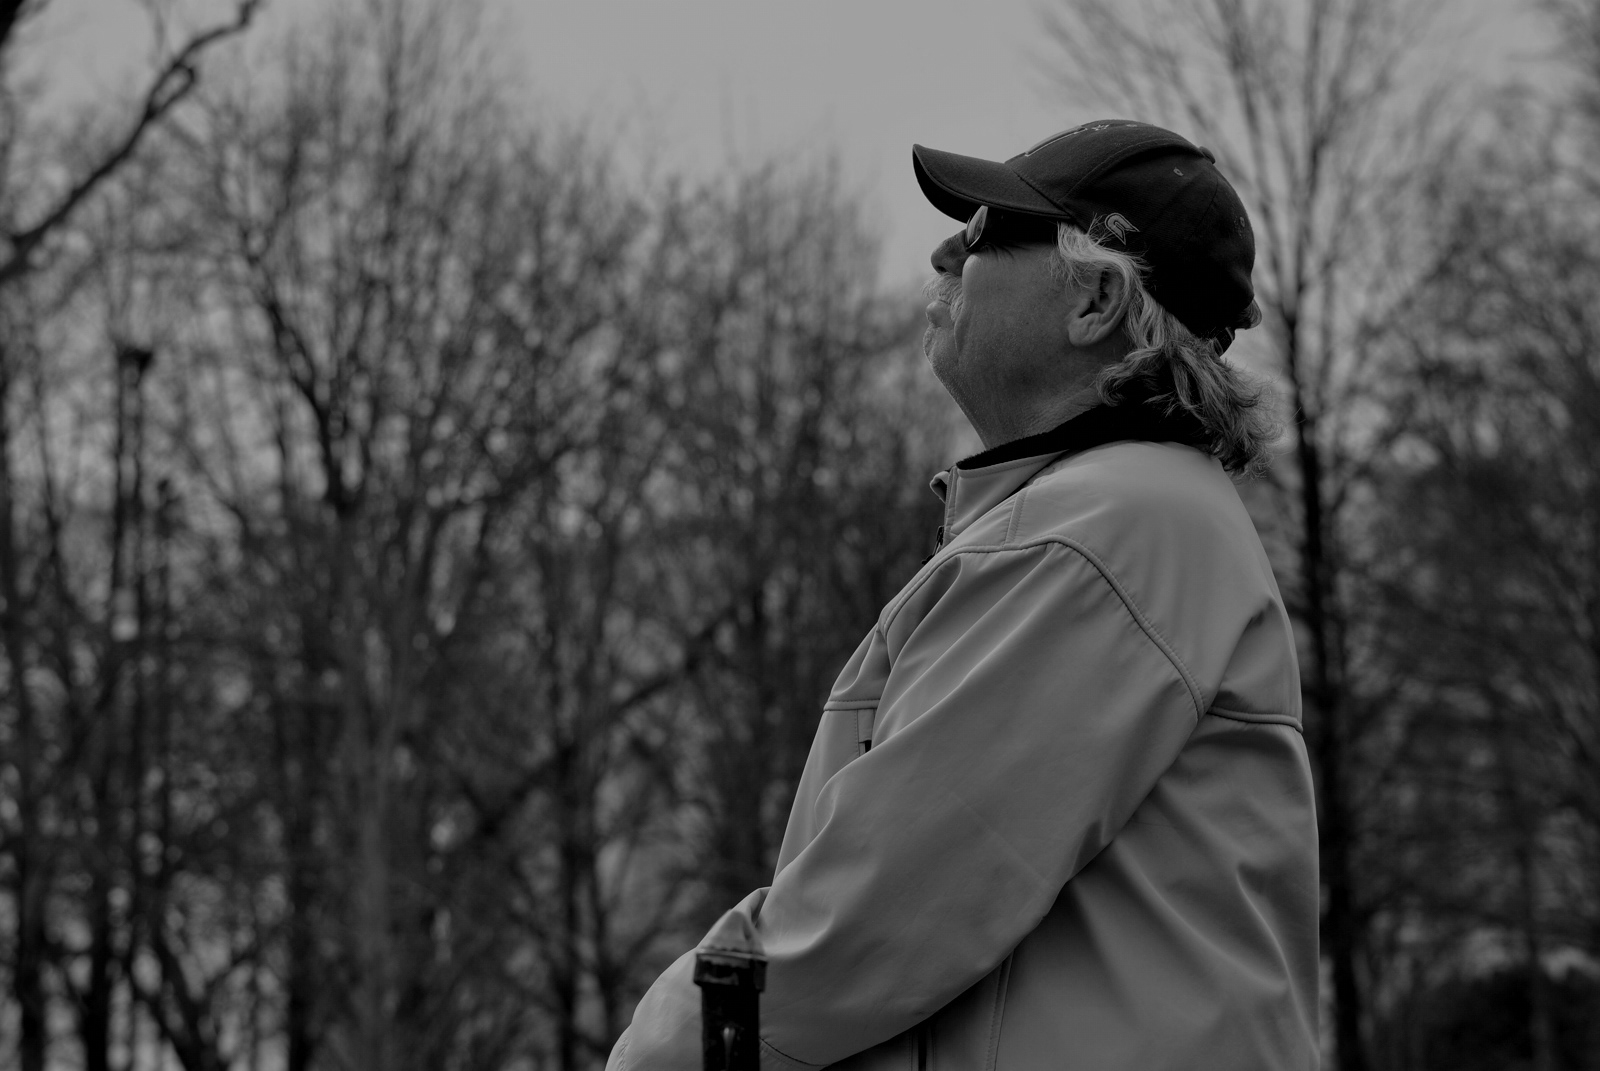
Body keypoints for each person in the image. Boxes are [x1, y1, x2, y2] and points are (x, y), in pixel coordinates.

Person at [607, 119, 1320, 1071]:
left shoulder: (1093, 537)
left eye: (987, 231)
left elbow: (862, 920)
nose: (947, 253)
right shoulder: (1130, 519)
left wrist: (652, 1057)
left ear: (1097, 300)